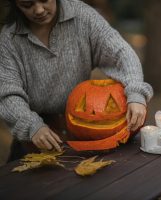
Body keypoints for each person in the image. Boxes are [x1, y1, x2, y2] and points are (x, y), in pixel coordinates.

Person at [0, 0, 153, 160]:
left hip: (82, 133)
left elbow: (121, 53)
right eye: (27, 4)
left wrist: (136, 92)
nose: (38, 10)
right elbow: (7, 93)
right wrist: (31, 126)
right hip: (34, 139)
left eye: (44, 0)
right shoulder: (9, 39)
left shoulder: (82, 16)